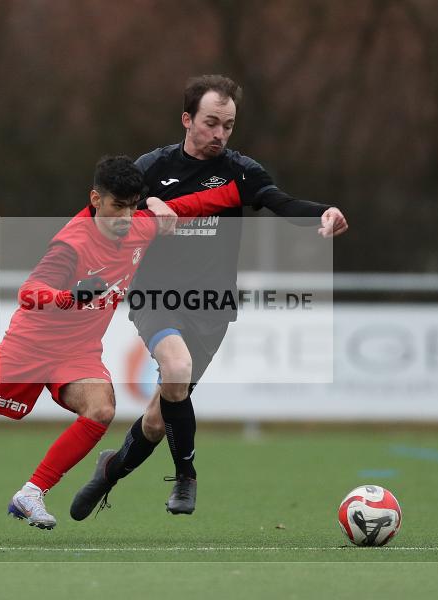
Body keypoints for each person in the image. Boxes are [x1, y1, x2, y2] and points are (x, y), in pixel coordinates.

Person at [0, 155, 242, 540]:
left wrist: (245, 190)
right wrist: (69, 297)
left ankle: (31, 492)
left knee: (101, 410)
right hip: (29, 347)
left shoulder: (139, 226)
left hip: (77, 352)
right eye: (118, 206)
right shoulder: (72, 243)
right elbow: (28, 291)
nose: (126, 217)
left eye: (134, 206)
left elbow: (191, 204)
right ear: (95, 199)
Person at [71, 75, 349, 520]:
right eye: (211, 123)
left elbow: (280, 202)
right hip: (155, 296)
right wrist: (146, 208)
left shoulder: (240, 171)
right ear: (187, 119)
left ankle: (110, 471)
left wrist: (324, 212)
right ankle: (186, 476)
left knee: (159, 419)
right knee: (176, 367)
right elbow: (105, 214)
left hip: (211, 305)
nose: (220, 134)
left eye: (229, 125)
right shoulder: (152, 168)